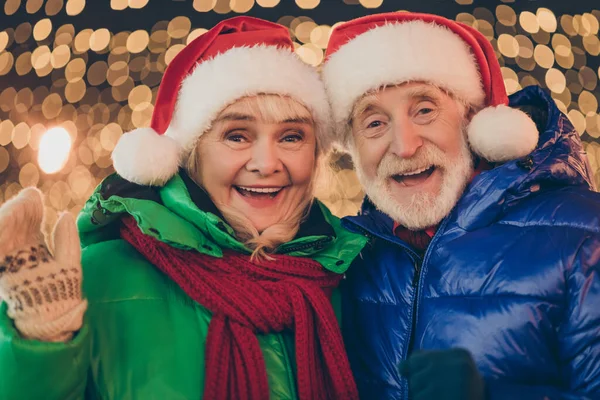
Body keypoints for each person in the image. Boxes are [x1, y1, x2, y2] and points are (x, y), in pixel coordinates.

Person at [0, 16, 367, 400]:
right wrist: (41, 345)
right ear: (190, 156)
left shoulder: (349, 282)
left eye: (291, 137)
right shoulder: (99, 279)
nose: (266, 163)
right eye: (237, 135)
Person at [321, 12, 600, 400]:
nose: (404, 145)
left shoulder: (586, 234)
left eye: (424, 110)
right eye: (374, 123)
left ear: (472, 118)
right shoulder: (348, 262)